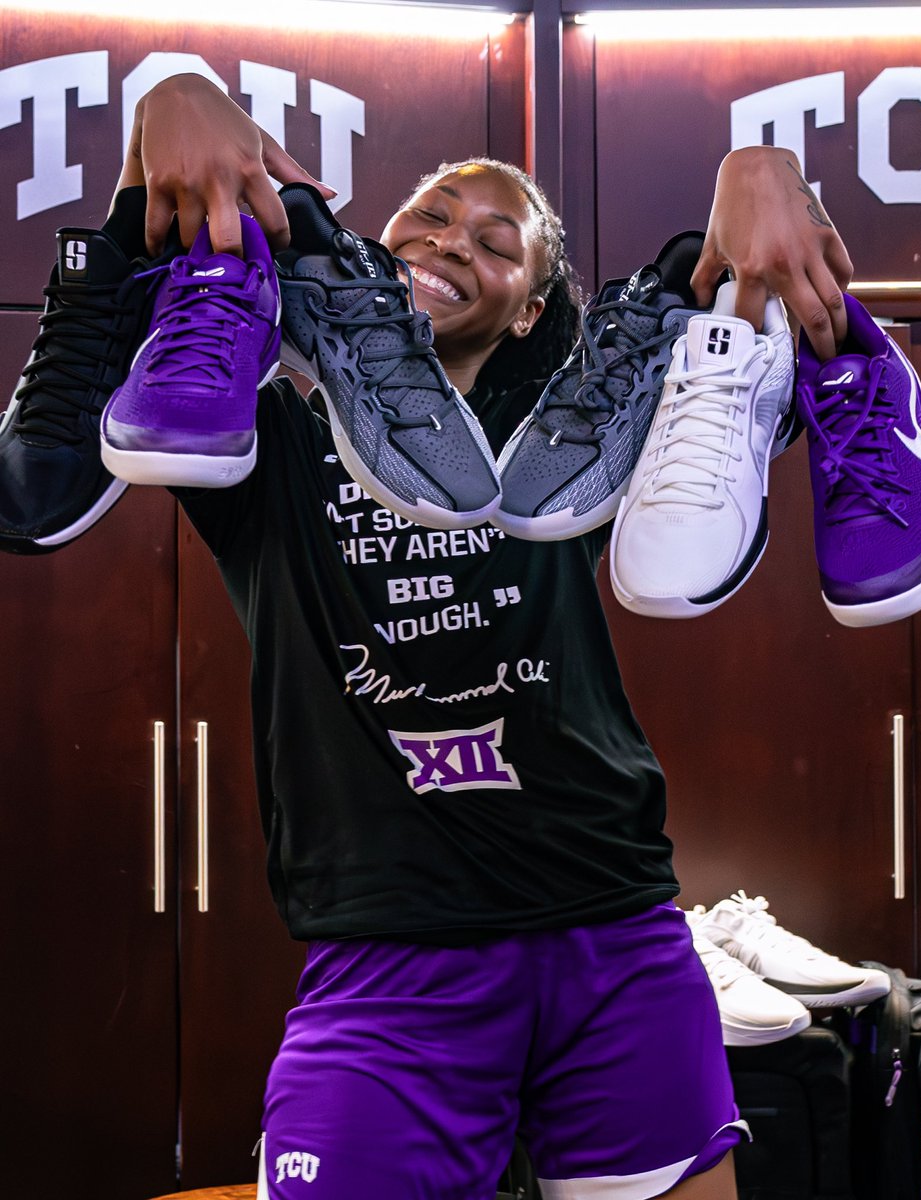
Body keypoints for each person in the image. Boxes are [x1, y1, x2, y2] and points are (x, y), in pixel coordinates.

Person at [22, 72, 856, 1199]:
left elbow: (746, 352)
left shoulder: (577, 434)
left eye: (497, 241)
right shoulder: (262, 419)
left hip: (613, 933)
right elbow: (71, 411)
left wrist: (763, 173)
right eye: (431, 214)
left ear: (527, 308)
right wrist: (170, 96)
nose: (453, 239)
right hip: (385, 958)